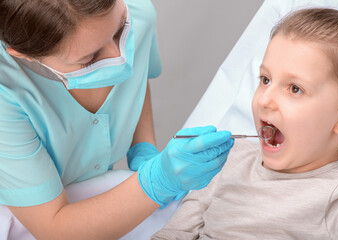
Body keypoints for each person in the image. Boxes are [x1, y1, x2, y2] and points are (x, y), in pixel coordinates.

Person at [0, 0, 235, 239]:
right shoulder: (5, 95)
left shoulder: (137, 12)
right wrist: (157, 181)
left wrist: (143, 147)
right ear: (24, 55)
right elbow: (54, 227)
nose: (120, 57)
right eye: (91, 58)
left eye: (121, 30)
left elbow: (135, 77)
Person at [151, 0, 338, 239]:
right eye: (265, 80)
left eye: (294, 89)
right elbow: (173, 233)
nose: (264, 100)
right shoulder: (229, 159)